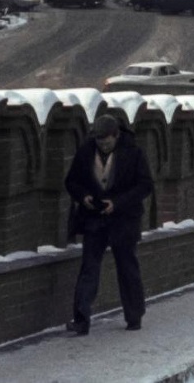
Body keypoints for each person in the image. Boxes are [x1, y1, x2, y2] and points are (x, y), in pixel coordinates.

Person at [65, 114, 154, 334]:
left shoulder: (133, 153)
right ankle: (81, 320)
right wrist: (83, 196)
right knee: (89, 269)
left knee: (127, 268)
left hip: (123, 220)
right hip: (94, 218)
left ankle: (134, 316)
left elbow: (145, 185)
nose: (103, 146)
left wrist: (118, 203)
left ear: (116, 136)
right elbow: (71, 181)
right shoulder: (86, 151)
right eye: (99, 142)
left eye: (106, 141)